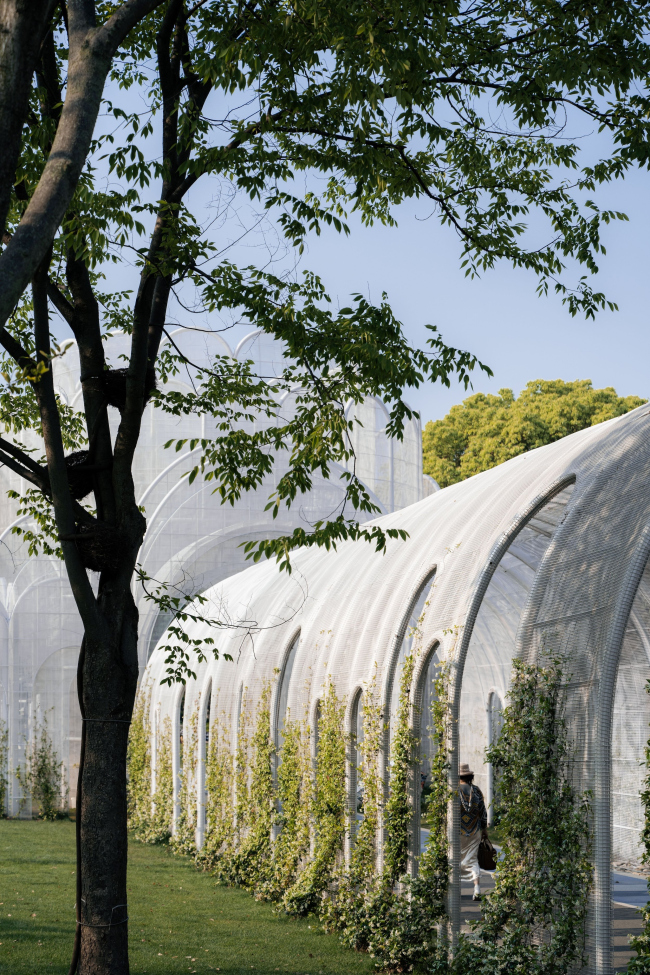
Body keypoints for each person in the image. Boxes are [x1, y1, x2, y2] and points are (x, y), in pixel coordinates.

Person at [458, 762, 488, 901]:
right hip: (474, 831)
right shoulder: (476, 791)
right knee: (472, 860)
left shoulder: (454, 791)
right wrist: (484, 830)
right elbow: (482, 811)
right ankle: (476, 889)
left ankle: (455, 889)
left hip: (457, 832)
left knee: (455, 859)